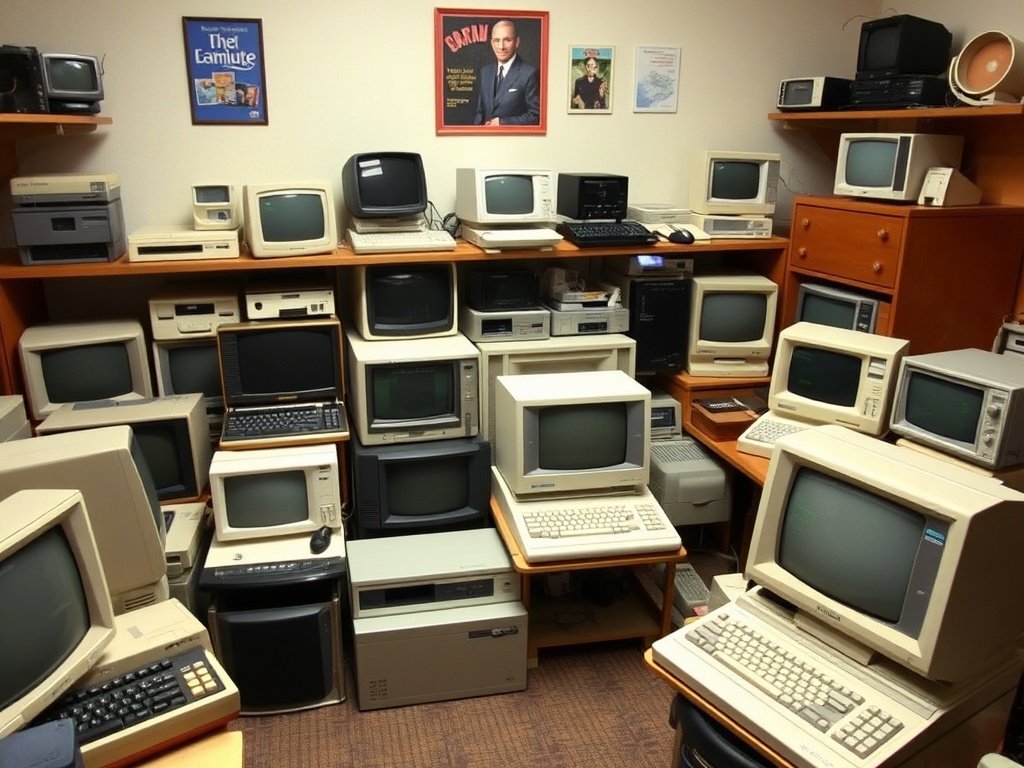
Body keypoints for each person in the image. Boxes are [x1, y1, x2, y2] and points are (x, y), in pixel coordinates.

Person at [474, 19, 541, 126]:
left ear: (517, 42)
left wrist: (502, 123)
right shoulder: (485, 72)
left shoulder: (529, 73)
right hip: (486, 141)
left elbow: (536, 116)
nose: (501, 46)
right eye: (496, 40)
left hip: (516, 141)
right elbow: (480, 113)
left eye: (507, 40)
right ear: (491, 43)